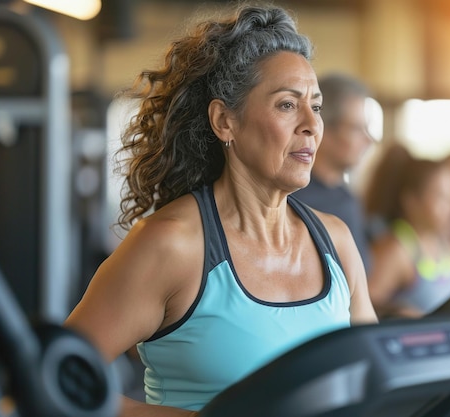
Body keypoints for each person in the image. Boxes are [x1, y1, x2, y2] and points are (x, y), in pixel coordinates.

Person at [64, 5, 377, 416]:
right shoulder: (173, 244)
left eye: (315, 107)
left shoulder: (334, 240)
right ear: (224, 121)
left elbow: (377, 377)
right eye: (287, 105)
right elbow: (55, 380)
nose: (311, 125)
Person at [363, 142, 450, 319]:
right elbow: (365, 304)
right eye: (441, 197)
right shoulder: (396, 249)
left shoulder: (444, 244)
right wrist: (396, 311)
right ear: (411, 201)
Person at [293, 73, 375, 273]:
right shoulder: (296, 197)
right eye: (357, 128)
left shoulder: (346, 196)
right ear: (324, 129)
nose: (368, 140)